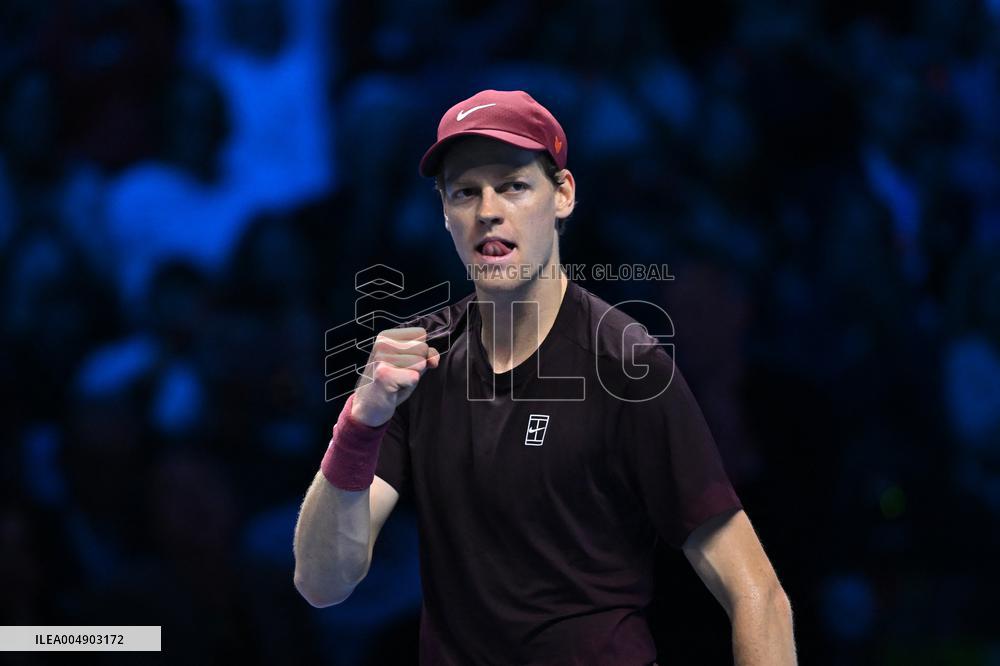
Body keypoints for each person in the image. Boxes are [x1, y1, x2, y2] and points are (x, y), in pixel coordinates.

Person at [293, 89, 797, 665]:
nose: (487, 209)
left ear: (562, 195)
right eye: (465, 191)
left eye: (512, 185)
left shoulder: (626, 363)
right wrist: (360, 422)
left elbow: (760, 596)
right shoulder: (414, 364)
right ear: (445, 213)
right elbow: (322, 582)